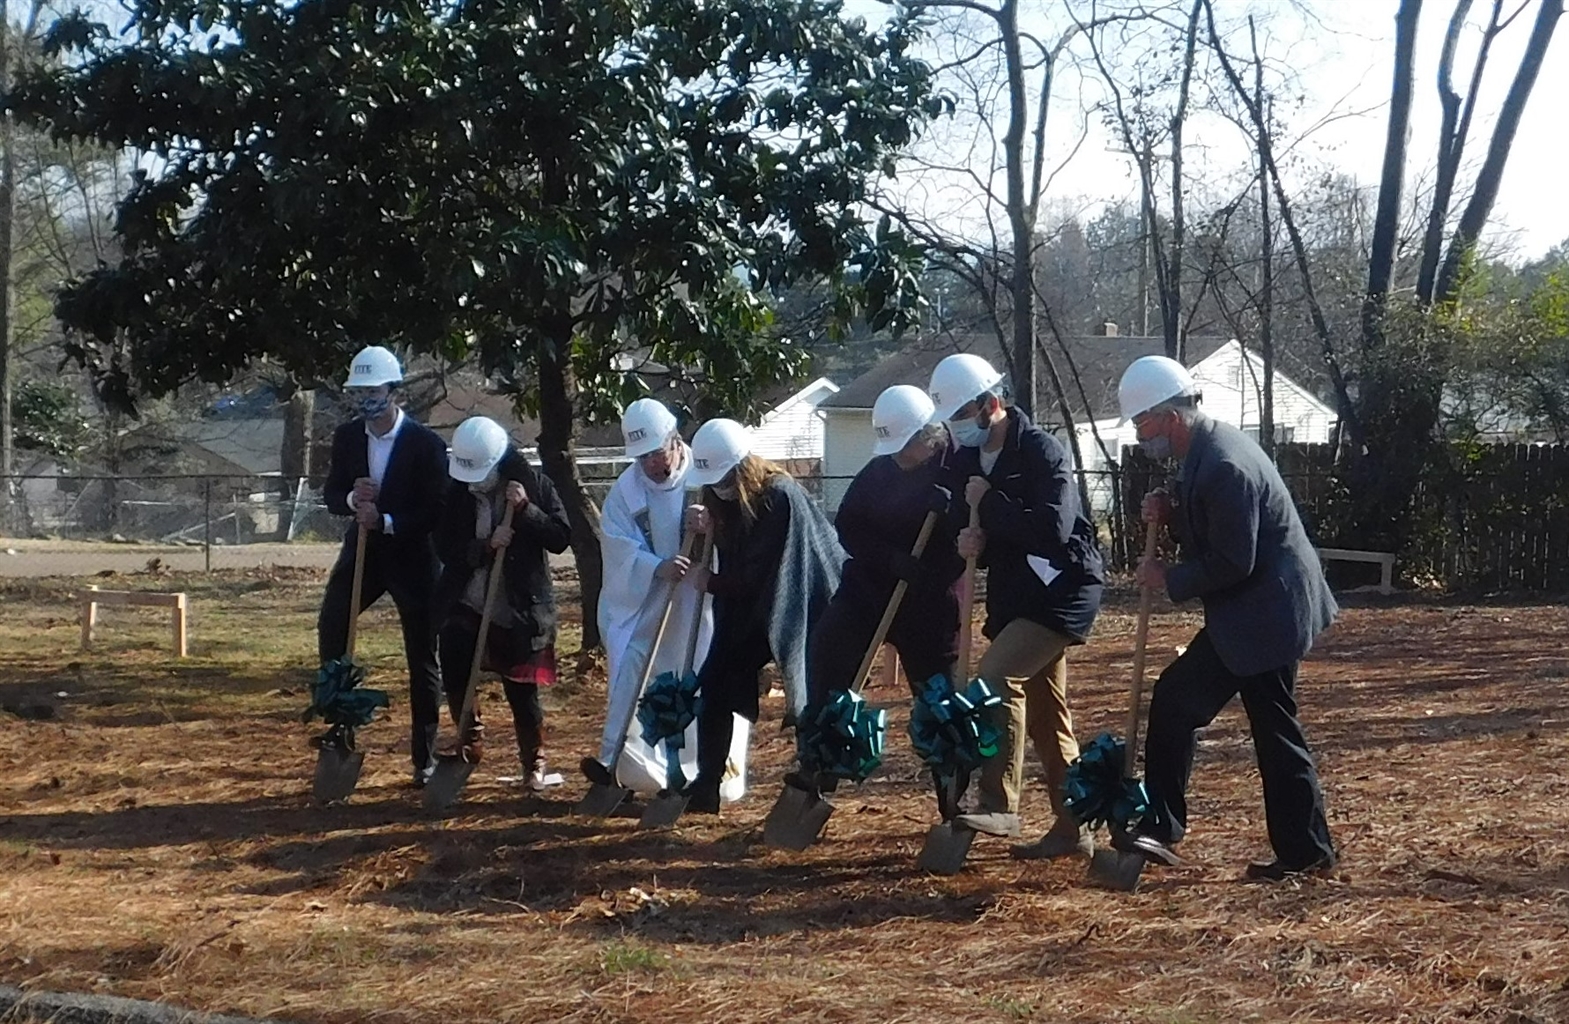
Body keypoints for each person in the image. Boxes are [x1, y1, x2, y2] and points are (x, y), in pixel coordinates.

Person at [1118, 355, 1338, 879]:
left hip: (1267, 615)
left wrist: (1167, 579)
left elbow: (1234, 560)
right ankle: (1304, 853)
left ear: (1170, 417)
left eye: (1143, 425)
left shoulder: (1223, 465)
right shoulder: (1205, 450)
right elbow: (1217, 530)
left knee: (1243, 720)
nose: (1142, 437)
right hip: (1256, 612)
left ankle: (1170, 827)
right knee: (1230, 715)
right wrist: (1171, 512)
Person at [928, 353, 1106, 859]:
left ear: (993, 404)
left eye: (966, 415)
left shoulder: (1042, 451)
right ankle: (1075, 828)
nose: (959, 428)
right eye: (953, 419)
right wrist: (967, 539)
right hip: (1018, 595)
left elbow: (1053, 530)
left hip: (1064, 589)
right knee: (1050, 717)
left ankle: (998, 801)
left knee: (995, 679)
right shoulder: (965, 461)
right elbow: (973, 530)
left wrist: (992, 505)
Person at [802, 385, 963, 793]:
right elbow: (849, 526)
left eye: (903, 447)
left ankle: (952, 792)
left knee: (938, 699)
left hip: (929, 605)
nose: (896, 456)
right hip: (869, 592)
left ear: (927, 439)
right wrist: (891, 559)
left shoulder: (959, 471)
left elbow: (975, 541)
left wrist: (955, 516)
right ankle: (821, 767)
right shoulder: (879, 471)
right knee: (827, 650)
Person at [682, 418, 844, 814]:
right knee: (716, 679)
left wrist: (712, 582)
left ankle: (814, 773)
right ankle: (706, 783)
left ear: (742, 467)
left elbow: (762, 571)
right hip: (750, 605)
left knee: (805, 683)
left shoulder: (778, 497)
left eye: (724, 478)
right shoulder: (720, 497)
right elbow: (739, 561)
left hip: (802, 601)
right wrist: (708, 528)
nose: (718, 487)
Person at [318, 345, 449, 787]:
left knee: (421, 655)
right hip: (364, 554)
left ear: (395, 392)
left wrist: (389, 520)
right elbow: (332, 495)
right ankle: (341, 730)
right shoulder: (348, 437)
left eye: (373, 390)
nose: (365, 400)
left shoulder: (426, 446)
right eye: (359, 391)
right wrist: (355, 500)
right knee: (333, 622)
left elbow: (435, 509)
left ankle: (424, 757)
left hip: (414, 557)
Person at [431, 416, 572, 788]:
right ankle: (468, 740)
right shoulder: (456, 492)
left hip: (518, 607)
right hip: (468, 602)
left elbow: (560, 537)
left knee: (520, 687)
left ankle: (534, 760)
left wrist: (527, 512)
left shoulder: (535, 486)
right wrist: (484, 547)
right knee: (457, 667)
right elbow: (444, 546)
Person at [584, 398, 714, 793]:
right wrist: (653, 566)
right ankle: (617, 760)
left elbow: (740, 524)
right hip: (648, 597)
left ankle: (703, 768)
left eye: (655, 454)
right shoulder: (626, 492)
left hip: (699, 599)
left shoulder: (705, 473)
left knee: (700, 670)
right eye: (641, 459)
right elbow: (618, 545)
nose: (650, 466)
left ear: (675, 441)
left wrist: (710, 528)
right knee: (634, 666)